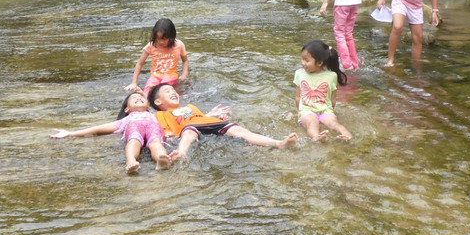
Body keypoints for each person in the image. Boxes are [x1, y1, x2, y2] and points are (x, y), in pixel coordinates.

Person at [147, 83, 298, 161]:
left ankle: (278, 143)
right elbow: (166, 129)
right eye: (167, 91)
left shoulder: (190, 107)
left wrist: (212, 115)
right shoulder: (161, 114)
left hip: (207, 123)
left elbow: (200, 118)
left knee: (240, 131)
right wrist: (168, 135)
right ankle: (181, 154)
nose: (173, 92)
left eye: (173, 90)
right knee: (188, 134)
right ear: (158, 101)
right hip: (189, 127)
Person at [50, 91, 172, 175]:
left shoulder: (155, 116)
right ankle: (131, 160)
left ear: (148, 106)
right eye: (133, 98)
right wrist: (70, 133)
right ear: (127, 109)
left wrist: (167, 134)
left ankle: (161, 160)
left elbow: (166, 126)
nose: (138, 98)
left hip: (153, 129)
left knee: (156, 142)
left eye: (141, 98)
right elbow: (98, 129)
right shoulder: (126, 120)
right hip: (134, 129)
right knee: (134, 140)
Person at [293, 39, 351, 141]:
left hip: (325, 111)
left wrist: (330, 113)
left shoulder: (331, 76)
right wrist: (300, 113)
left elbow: (333, 100)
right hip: (307, 111)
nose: (303, 63)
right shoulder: (299, 73)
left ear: (319, 63)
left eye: (307, 60)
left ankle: (346, 134)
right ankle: (317, 137)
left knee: (333, 123)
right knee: (312, 123)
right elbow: (297, 97)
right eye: (302, 59)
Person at [127, 18, 189, 94]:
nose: (161, 42)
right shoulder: (151, 46)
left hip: (171, 76)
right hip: (155, 76)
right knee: (149, 86)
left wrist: (184, 75)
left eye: (164, 39)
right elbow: (140, 63)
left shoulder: (179, 45)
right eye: (158, 38)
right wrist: (134, 83)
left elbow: (185, 60)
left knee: (165, 86)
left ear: (171, 36)